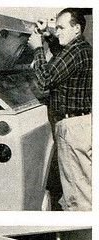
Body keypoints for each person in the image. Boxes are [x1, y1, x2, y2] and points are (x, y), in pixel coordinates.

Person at [28, 8, 92, 211]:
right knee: (83, 187)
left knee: (78, 194)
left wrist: (37, 48)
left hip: (72, 129)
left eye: (61, 28)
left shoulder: (76, 51)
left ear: (77, 29)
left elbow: (45, 79)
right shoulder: (80, 48)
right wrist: (48, 34)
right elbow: (61, 54)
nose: (58, 32)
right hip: (81, 124)